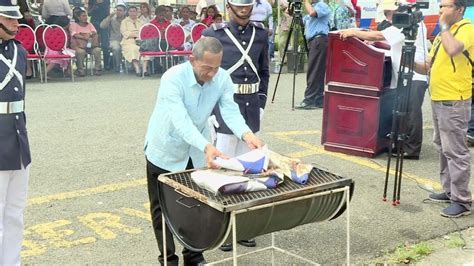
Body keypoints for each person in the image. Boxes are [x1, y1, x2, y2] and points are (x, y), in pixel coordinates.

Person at [144, 36, 263, 266]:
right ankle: (168, 259)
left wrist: (248, 135)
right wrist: (208, 146)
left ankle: (194, 257)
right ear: (192, 60)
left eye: (216, 68)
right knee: (162, 209)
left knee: (196, 205)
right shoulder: (173, 78)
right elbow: (181, 121)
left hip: (197, 152)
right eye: (206, 68)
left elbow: (230, 111)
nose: (211, 74)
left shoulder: (222, 78)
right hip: (165, 148)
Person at [202, 0, 269, 251]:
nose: (243, 9)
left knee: (248, 170)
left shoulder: (260, 34)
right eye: (239, 5)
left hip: (251, 107)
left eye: (247, 5)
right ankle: (222, 227)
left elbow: (264, 71)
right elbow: (205, 74)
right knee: (224, 169)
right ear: (229, 6)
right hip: (224, 108)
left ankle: (243, 227)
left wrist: (261, 102)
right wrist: (209, 109)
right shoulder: (213, 34)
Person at [340, 0, 430, 160]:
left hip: (414, 75)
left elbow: (378, 35)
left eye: (389, 13)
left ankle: (411, 149)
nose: (388, 18)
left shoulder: (407, 23)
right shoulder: (408, 23)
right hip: (406, 74)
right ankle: (403, 144)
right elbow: (390, 42)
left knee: (411, 114)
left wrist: (353, 32)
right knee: (405, 111)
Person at [412, 0, 473, 218]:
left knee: (456, 150)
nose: (441, 11)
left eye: (446, 6)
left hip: (454, 99)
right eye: (440, 6)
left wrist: (444, 26)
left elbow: (454, 48)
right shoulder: (441, 35)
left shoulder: (467, 29)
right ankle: (449, 191)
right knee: (442, 147)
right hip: (438, 98)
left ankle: (462, 201)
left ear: (459, 9)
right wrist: (406, 58)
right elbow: (428, 65)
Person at [0, 1, 31, 264]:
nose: (15, 24)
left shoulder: (20, 51)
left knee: (15, 212)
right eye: (8, 19)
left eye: (16, 19)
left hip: (19, 138)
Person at [295, 0, 330, 109]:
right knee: (317, 70)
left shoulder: (322, 5)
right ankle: (319, 99)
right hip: (315, 42)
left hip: (319, 40)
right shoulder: (313, 6)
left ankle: (309, 99)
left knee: (314, 70)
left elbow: (312, 13)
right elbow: (302, 20)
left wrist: (305, 2)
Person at [70, 9, 103, 76]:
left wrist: (89, 34)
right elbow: (74, 34)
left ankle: (97, 69)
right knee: (80, 52)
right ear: (78, 17)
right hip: (78, 45)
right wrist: (85, 37)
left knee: (97, 50)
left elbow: (94, 32)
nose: (85, 17)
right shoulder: (74, 25)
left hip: (91, 45)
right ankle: (80, 70)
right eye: (83, 16)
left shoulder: (90, 24)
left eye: (86, 16)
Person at [120, 6, 149, 76]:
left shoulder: (140, 22)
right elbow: (125, 33)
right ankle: (137, 69)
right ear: (128, 12)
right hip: (128, 42)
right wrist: (137, 34)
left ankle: (144, 70)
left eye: (134, 11)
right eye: (131, 11)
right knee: (133, 48)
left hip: (141, 41)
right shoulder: (124, 22)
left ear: (137, 12)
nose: (132, 13)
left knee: (146, 48)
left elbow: (144, 32)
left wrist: (134, 33)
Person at [100, 3, 126, 72]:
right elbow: (102, 26)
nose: (118, 12)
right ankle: (118, 66)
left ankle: (130, 66)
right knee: (116, 48)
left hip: (126, 40)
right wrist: (109, 17)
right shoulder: (112, 19)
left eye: (120, 10)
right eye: (117, 10)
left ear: (124, 12)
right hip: (114, 40)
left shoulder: (127, 20)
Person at [88, 0, 110, 70]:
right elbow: (88, 13)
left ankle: (106, 64)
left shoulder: (107, 1)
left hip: (104, 23)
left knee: (105, 44)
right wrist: (93, 8)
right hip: (94, 23)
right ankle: (97, 65)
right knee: (95, 44)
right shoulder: (91, 1)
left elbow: (108, 13)